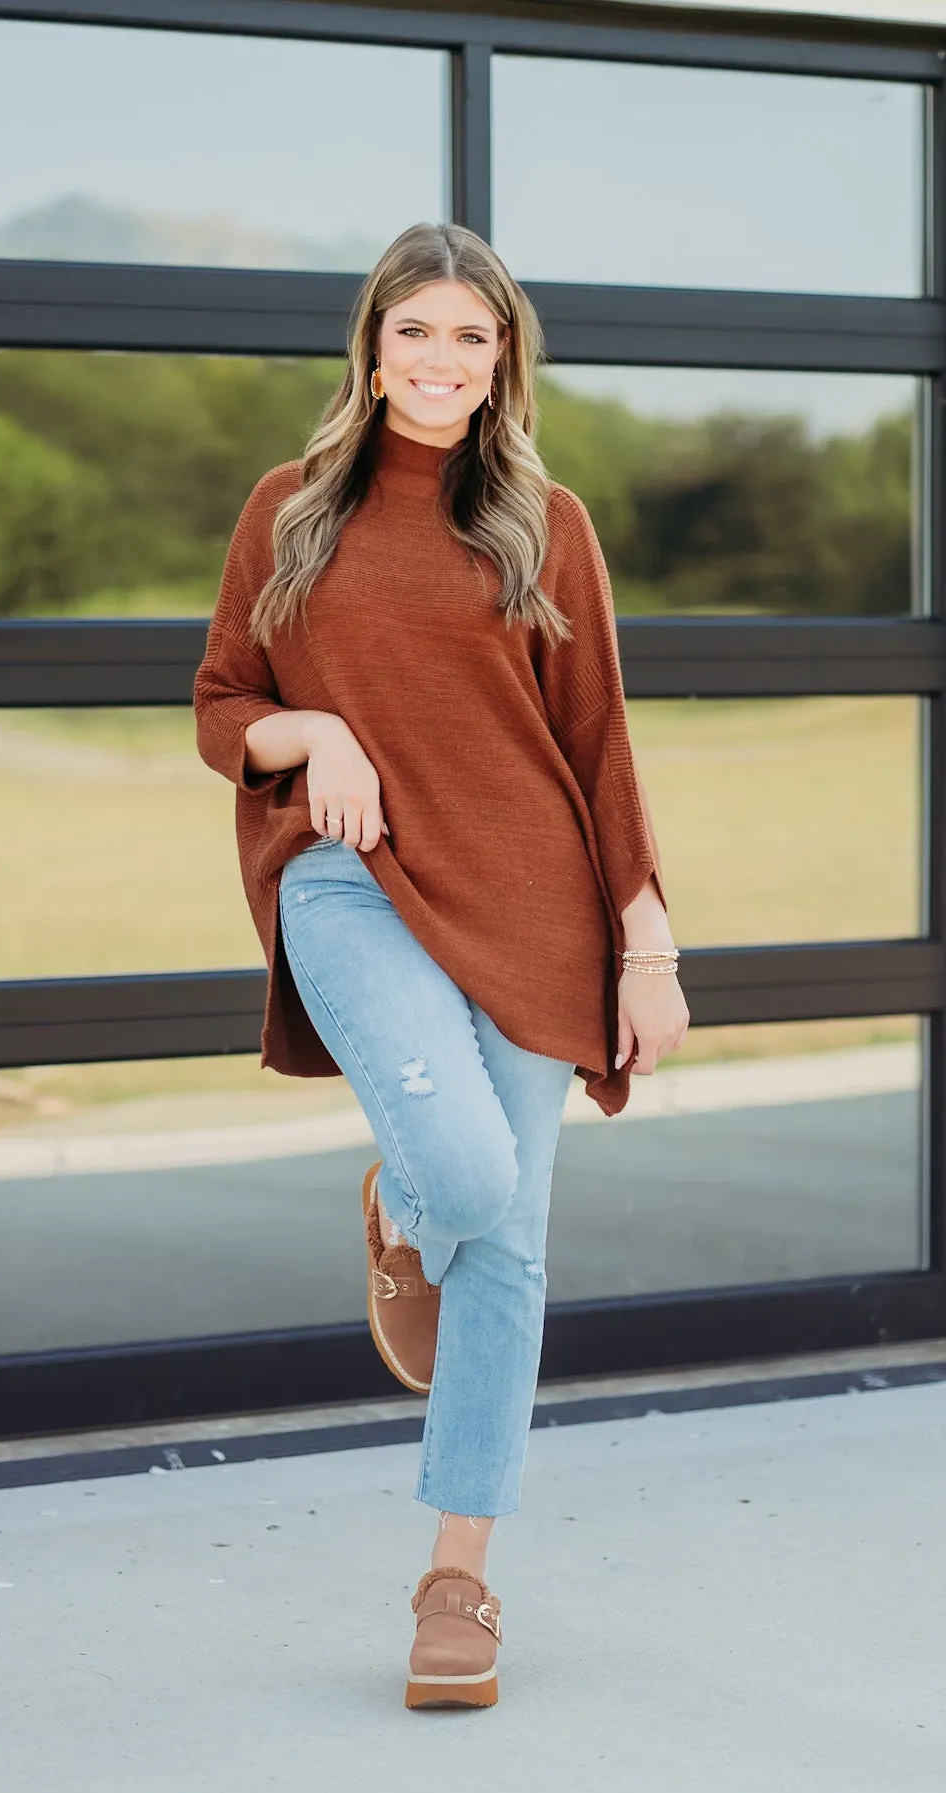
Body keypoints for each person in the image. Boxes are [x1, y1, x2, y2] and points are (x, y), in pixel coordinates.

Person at [193, 221, 689, 1710]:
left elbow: (599, 745)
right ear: (372, 346)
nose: (442, 361)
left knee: (512, 1247)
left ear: (504, 362)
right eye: (418, 331)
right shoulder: (289, 511)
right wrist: (318, 733)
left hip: (536, 903)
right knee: (469, 1187)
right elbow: (225, 704)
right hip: (347, 883)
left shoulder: (550, 524)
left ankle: (456, 1579)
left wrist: (644, 940)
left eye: (473, 337)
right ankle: (406, 1198)